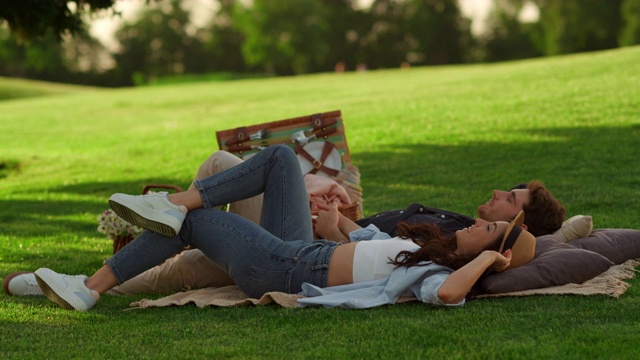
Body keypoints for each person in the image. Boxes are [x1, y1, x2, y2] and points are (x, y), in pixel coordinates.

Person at [28, 145, 536, 311]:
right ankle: (169, 207)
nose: (475, 229)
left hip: (282, 269)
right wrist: (337, 220)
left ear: (484, 256)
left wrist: (490, 259)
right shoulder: (427, 246)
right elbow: (359, 244)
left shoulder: (435, 276)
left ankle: (91, 287)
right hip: (299, 248)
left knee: (195, 223)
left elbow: (449, 296)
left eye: (485, 236)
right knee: (279, 160)